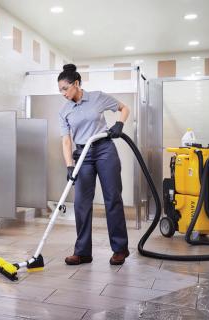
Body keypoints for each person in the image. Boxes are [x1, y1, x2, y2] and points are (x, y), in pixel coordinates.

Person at [58, 64, 131, 265]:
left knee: (112, 198)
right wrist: (69, 165)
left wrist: (119, 124)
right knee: (81, 203)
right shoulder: (64, 111)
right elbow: (66, 140)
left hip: (104, 149)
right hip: (82, 154)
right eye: (60, 90)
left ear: (76, 84)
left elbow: (124, 108)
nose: (63, 94)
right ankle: (82, 252)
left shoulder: (97, 97)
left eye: (65, 89)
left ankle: (120, 249)